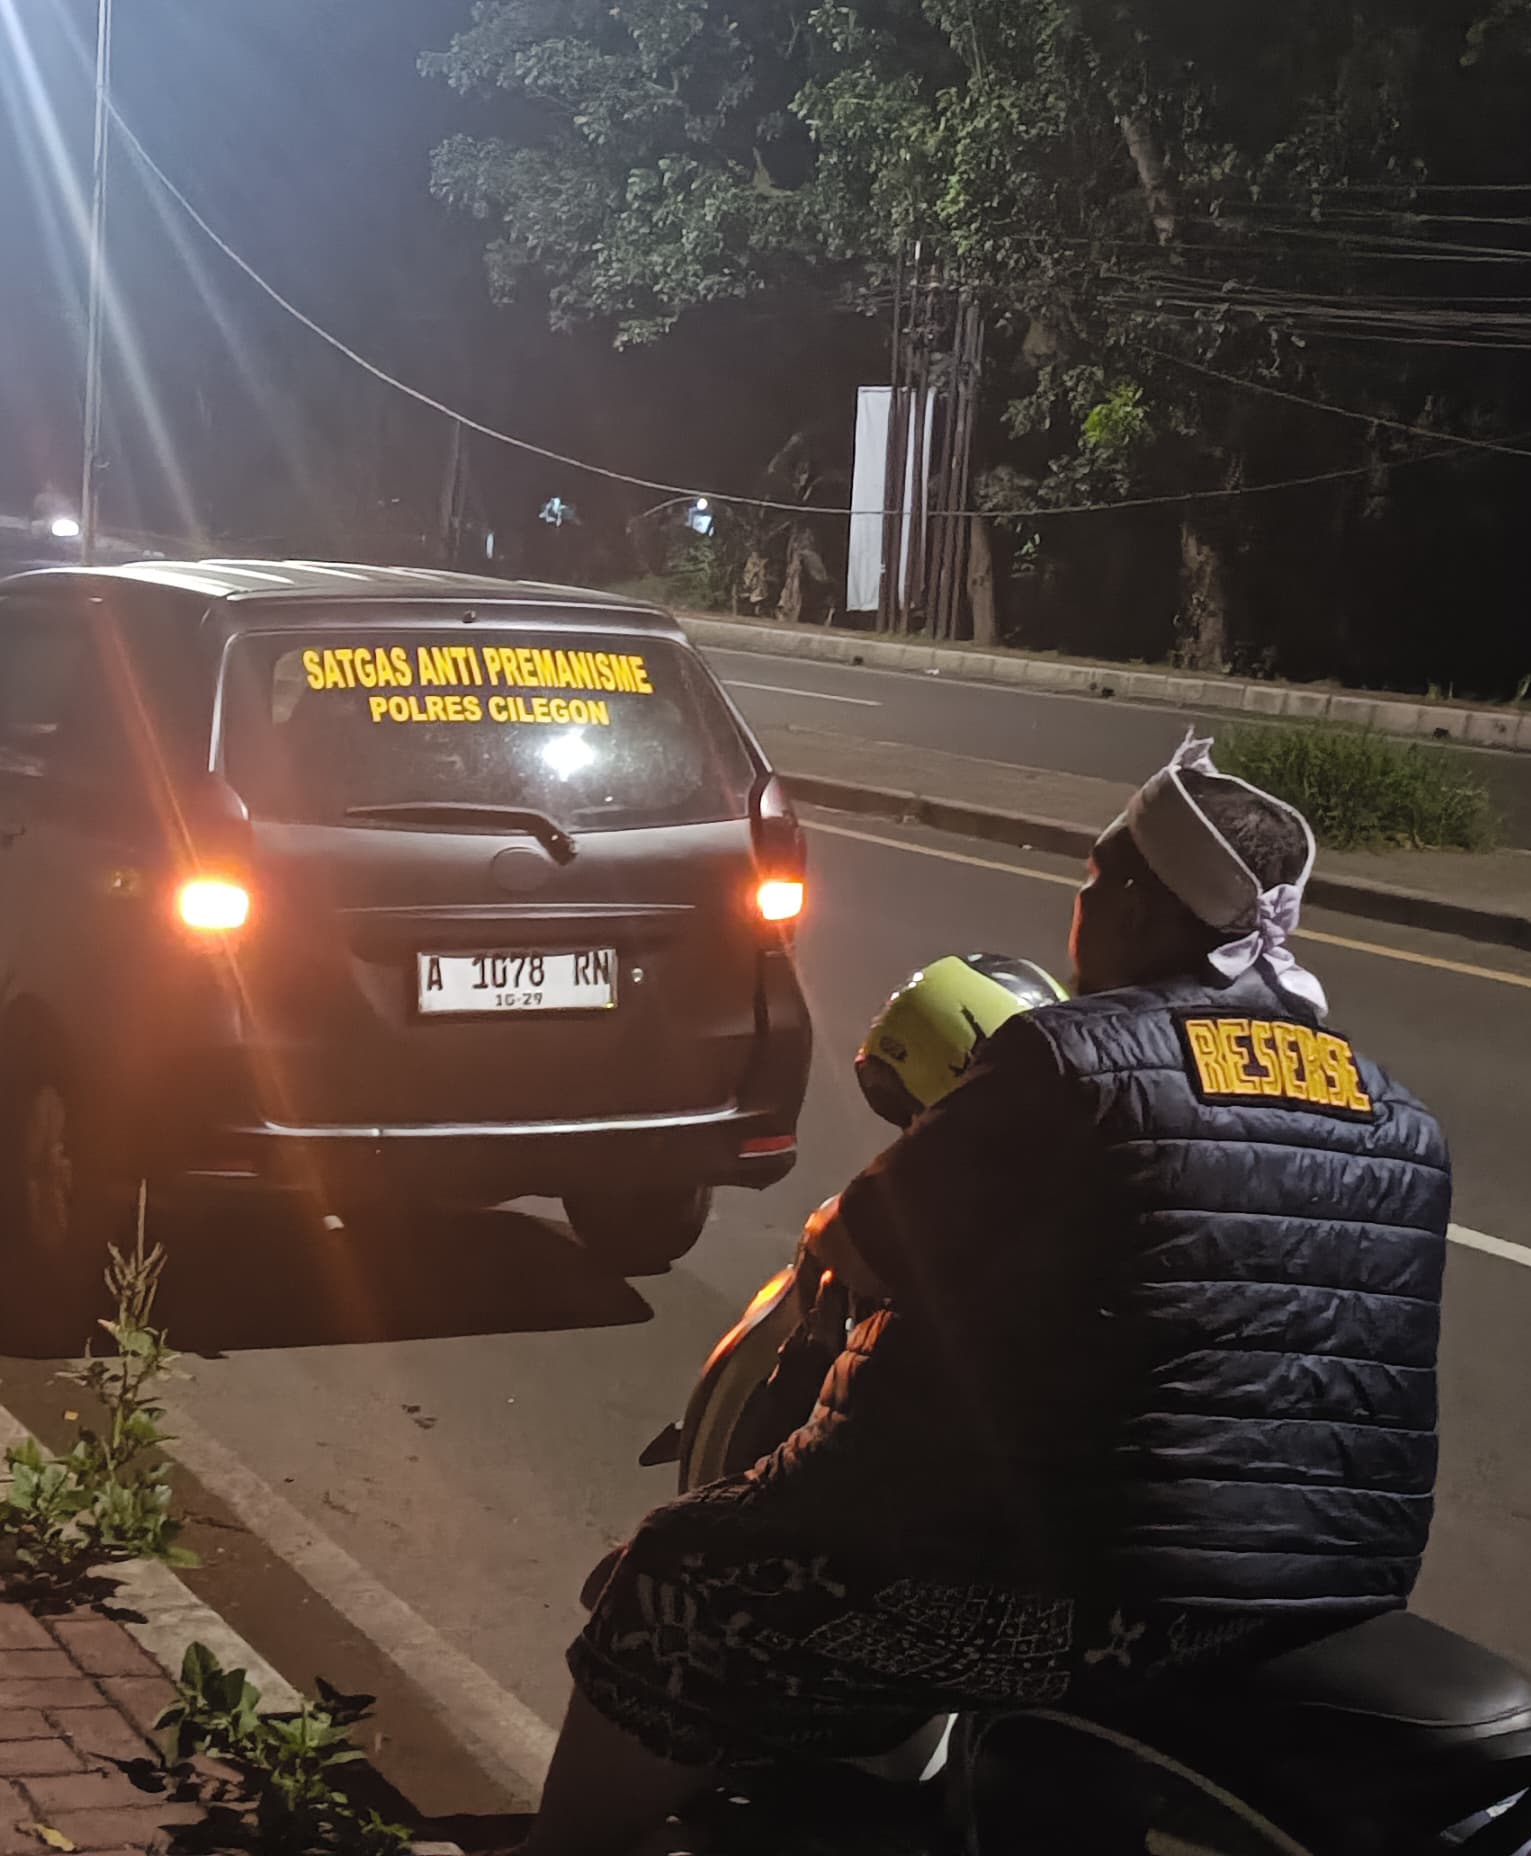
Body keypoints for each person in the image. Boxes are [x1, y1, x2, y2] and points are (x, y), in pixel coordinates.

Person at [510, 735, 1453, 1855]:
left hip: (1083, 1597)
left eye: (1091, 885)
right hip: (1332, 1588)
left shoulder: (1066, 1058)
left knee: (678, 1575)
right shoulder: (1399, 1114)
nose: (1078, 911)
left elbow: (862, 1247)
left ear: (1136, 911)